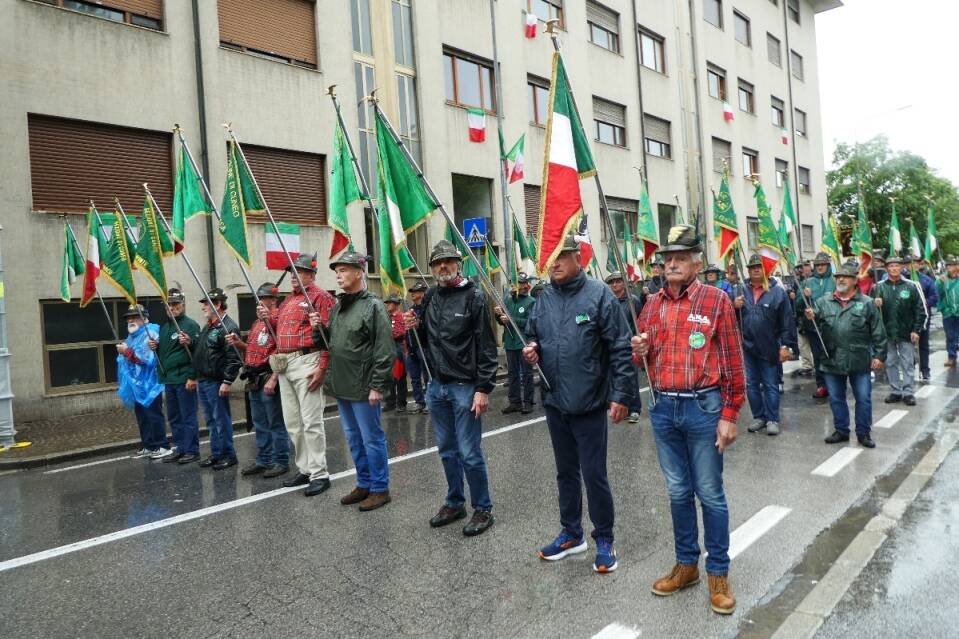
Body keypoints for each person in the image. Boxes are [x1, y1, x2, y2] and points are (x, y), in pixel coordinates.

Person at [632, 225, 744, 615]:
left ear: (698, 261)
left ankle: (718, 573)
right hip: (664, 408)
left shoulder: (717, 301)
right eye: (668, 258)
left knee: (709, 493)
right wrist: (639, 349)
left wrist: (729, 415)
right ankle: (686, 566)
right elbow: (644, 359)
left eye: (681, 257)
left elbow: (733, 363)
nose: (673, 264)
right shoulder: (652, 303)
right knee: (678, 493)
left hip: (703, 408)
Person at [523, 236, 633, 574]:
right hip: (555, 402)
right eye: (552, 257)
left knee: (594, 474)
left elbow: (620, 347)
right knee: (565, 473)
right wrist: (532, 349)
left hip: (589, 404)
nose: (554, 263)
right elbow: (533, 334)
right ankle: (572, 533)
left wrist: (622, 395)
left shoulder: (599, 295)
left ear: (578, 259)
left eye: (562, 256)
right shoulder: (543, 298)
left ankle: (604, 539)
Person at [405, 240, 497, 537]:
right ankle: (454, 502)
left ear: (459, 264)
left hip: (465, 388)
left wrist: (483, 388)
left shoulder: (475, 297)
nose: (442, 267)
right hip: (437, 387)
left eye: (447, 262)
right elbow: (425, 339)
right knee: (446, 450)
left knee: (469, 452)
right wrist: (413, 325)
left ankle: (482, 509)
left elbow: (486, 347)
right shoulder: (430, 296)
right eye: (436, 263)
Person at [320, 252, 395, 511]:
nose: (338, 275)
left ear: (359, 272)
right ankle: (363, 483)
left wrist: (377, 385)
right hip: (343, 384)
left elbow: (384, 350)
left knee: (371, 438)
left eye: (343, 270)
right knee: (353, 438)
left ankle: (379, 488)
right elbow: (335, 343)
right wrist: (319, 328)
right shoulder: (339, 306)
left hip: (363, 386)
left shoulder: (373, 306)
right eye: (337, 271)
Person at [264, 253, 337, 497]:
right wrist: (267, 318)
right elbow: (277, 328)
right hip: (286, 364)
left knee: (311, 421)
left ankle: (319, 473)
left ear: (311, 275)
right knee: (294, 423)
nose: (294, 277)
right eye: (292, 272)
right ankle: (305, 468)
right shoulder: (286, 301)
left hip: (308, 360)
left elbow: (328, 336)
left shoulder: (321, 297)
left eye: (300, 271)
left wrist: (322, 367)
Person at [805, 259, 886, 448]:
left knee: (863, 398)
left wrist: (880, 355)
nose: (840, 280)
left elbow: (878, 332)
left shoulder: (866, 303)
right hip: (831, 359)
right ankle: (841, 430)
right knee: (836, 398)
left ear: (855, 280)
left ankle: (863, 433)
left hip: (859, 359)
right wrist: (809, 316)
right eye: (838, 277)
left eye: (845, 277)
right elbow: (812, 327)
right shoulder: (823, 302)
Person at [228, 283, 290, 479]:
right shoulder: (257, 323)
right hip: (254, 377)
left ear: (274, 300)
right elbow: (256, 349)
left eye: (264, 298)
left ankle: (281, 461)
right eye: (259, 298)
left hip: (268, 376)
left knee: (275, 423)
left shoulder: (279, 320)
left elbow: (282, 351)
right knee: (260, 422)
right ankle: (264, 459)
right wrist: (240, 344)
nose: (260, 302)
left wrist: (274, 378)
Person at [734, 255, 797, 436]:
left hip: (769, 346)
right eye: (752, 267)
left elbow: (787, 321)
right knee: (752, 385)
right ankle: (759, 417)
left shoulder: (777, 292)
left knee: (770, 384)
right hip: (747, 347)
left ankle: (772, 419)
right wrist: (734, 305)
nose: (755, 270)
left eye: (759, 267)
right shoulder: (740, 290)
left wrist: (786, 346)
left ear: (765, 270)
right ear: (748, 270)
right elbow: (729, 318)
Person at [189, 288, 242, 470]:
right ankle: (217, 453)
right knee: (211, 420)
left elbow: (234, 357)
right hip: (204, 380)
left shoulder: (228, 326)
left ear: (217, 304)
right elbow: (204, 351)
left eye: (206, 303)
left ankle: (229, 454)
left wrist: (227, 381)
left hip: (216, 381)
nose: (204, 306)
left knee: (221, 419)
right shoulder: (209, 325)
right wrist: (190, 342)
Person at [148, 289, 201, 464]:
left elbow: (198, 352)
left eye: (176, 305)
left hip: (184, 378)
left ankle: (192, 450)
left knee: (188, 416)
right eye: (169, 305)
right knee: (174, 417)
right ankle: (180, 448)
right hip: (169, 379)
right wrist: (155, 346)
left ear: (183, 305)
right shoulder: (165, 327)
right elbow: (166, 352)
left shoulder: (190, 325)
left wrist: (190, 343)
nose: (172, 308)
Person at [871, 255, 926, 406]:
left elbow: (921, 310)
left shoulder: (912, 285)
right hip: (886, 333)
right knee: (890, 362)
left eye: (897, 266)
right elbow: (869, 313)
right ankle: (895, 390)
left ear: (902, 267)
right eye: (890, 266)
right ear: (886, 268)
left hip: (906, 332)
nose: (894, 268)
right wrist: (874, 304)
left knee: (908, 363)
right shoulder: (878, 287)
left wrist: (916, 329)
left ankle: (908, 392)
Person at [117, 304, 169, 460]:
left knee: (153, 414)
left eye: (135, 317)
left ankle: (162, 445)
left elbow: (145, 358)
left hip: (150, 383)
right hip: (138, 384)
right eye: (128, 318)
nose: (130, 320)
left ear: (144, 318)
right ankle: (148, 445)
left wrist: (125, 351)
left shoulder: (149, 332)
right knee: (142, 415)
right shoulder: (132, 336)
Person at [603, 271, 644, 422]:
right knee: (615, 378)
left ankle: (635, 409)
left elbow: (639, 322)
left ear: (624, 283)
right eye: (611, 282)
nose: (614, 285)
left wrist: (636, 341)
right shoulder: (607, 301)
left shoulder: (633, 300)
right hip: (613, 346)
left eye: (618, 281)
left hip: (629, 345)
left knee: (631, 378)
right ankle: (622, 407)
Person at [494, 272, 536, 415]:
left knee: (527, 373)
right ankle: (515, 402)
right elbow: (501, 322)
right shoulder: (508, 300)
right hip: (511, 343)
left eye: (522, 283)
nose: (519, 286)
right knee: (512, 374)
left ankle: (528, 402)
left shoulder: (531, 301)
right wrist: (498, 315)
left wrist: (510, 319)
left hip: (523, 342)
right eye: (517, 283)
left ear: (525, 285)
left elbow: (530, 323)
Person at [796, 253, 835, 399]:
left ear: (828, 265)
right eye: (817, 265)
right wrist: (805, 296)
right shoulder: (808, 282)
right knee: (818, 357)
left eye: (822, 264)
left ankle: (835, 384)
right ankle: (821, 385)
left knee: (832, 355)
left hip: (832, 326)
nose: (819, 267)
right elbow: (798, 305)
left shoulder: (835, 281)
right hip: (813, 327)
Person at [907, 255, 938, 382]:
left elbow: (934, 297)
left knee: (923, 344)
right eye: (909, 263)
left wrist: (924, 302)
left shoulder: (926, 280)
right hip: (907, 317)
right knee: (907, 345)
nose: (912, 266)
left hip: (923, 316)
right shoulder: (903, 280)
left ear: (920, 265)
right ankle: (909, 368)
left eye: (915, 263)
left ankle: (925, 370)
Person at [405, 281, 430, 414]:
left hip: (424, 347)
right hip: (412, 348)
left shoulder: (427, 309)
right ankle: (419, 402)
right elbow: (407, 330)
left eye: (415, 292)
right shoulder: (411, 310)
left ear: (422, 293)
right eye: (412, 292)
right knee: (414, 378)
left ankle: (429, 401)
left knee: (427, 376)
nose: (412, 294)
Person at [382, 293, 409, 413]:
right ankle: (390, 402)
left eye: (390, 303)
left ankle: (401, 402)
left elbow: (401, 332)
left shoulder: (401, 316)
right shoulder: (385, 317)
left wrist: (388, 335)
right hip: (387, 347)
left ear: (396, 304)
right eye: (387, 303)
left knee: (399, 376)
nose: (387, 305)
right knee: (388, 377)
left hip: (397, 347)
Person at [937, 256, 959, 368]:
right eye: (948, 265)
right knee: (950, 335)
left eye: (952, 265)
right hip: (948, 313)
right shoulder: (941, 280)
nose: (949, 267)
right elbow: (938, 295)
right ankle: (951, 356)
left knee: (956, 336)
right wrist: (941, 284)